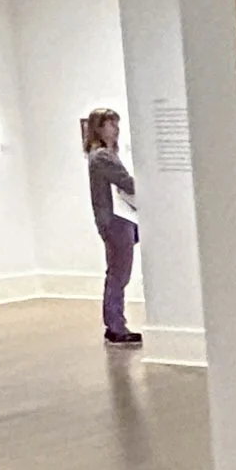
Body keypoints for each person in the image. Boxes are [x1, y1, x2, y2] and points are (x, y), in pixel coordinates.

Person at [85, 108, 142, 347]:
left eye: (116, 124)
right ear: (99, 128)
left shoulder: (104, 155)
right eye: (110, 124)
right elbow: (127, 183)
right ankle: (116, 326)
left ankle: (115, 325)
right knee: (119, 274)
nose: (115, 129)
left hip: (119, 219)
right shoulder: (102, 157)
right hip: (116, 220)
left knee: (117, 273)